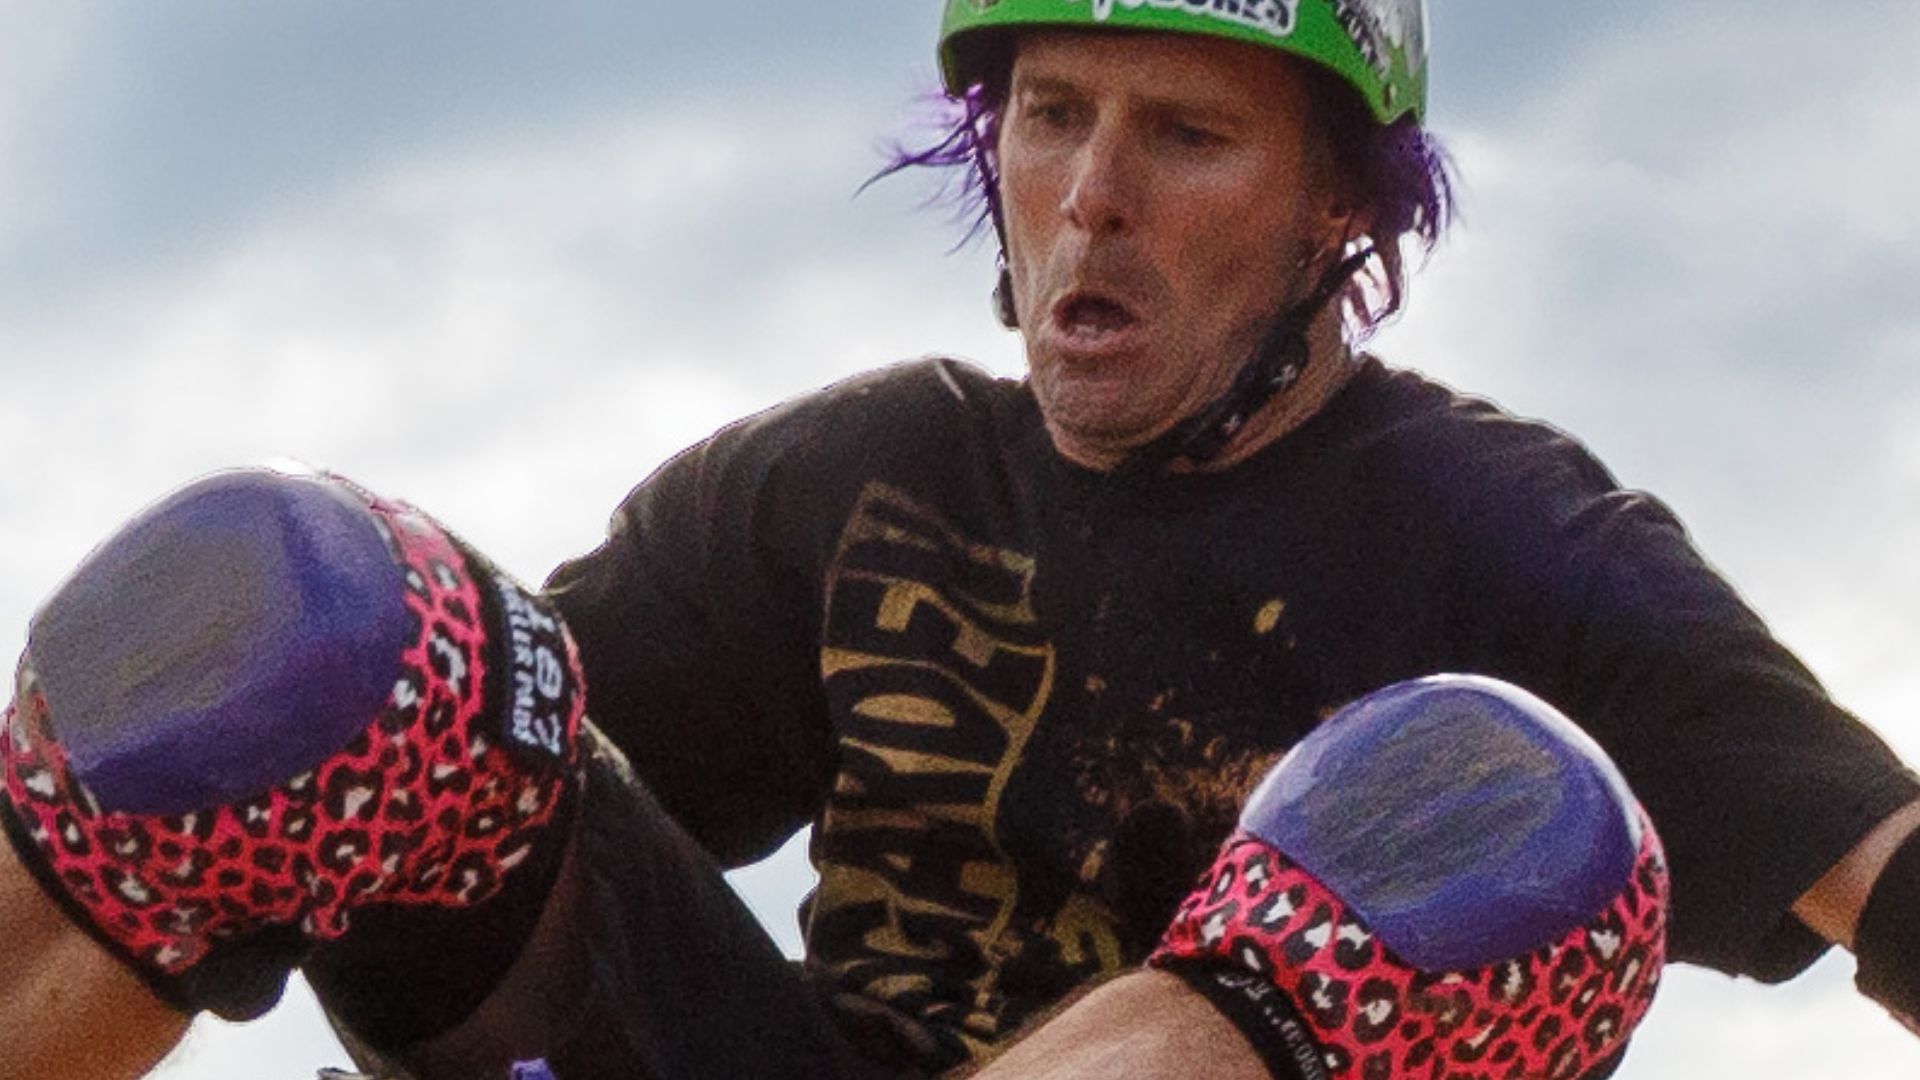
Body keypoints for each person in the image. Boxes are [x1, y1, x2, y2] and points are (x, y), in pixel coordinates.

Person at [3, 2, 1918, 1078]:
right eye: (1053, 118)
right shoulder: (859, 472)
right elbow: (480, 801)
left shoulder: (1509, 527)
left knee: (1481, 806)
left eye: (1181, 138)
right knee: (331, 633)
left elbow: (1889, 884)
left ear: (1338, 205)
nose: (1087, 204)